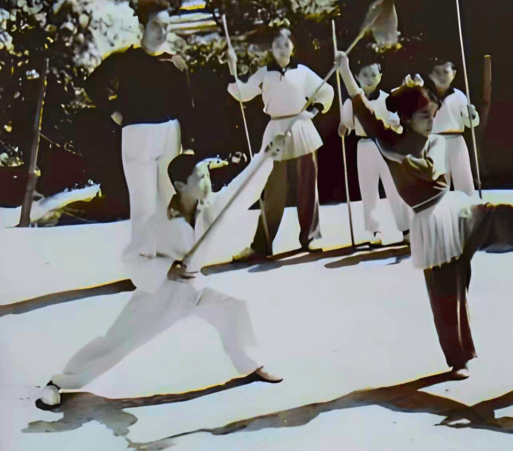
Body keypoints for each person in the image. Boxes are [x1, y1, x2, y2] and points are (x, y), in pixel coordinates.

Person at [337, 53, 513, 378]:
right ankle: (459, 358)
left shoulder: (434, 143)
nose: (432, 122)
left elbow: (432, 166)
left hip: (455, 209)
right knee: (447, 291)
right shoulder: (391, 141)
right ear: (406, 118)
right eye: (424, 117)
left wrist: (404, 151)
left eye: (432, 115)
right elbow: (363, 109)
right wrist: (346, 69)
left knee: (500, 215)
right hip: (430, 224)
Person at [36, 137, 289, 411]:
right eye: (200, 178)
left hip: (194, 288)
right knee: (116, 343)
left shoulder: (210, 207)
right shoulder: (158, 222)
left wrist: (266, 157)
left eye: (207, 175)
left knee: (233, 309)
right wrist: (166, 269)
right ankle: (59, 382)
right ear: (180, 186)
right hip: (160, 296)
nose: (208, 182)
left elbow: (241, 190)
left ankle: (253, 366)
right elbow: (132, 260)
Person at [84, 0, 194, 257]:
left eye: (166, 26)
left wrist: (189, 146)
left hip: (170, 133)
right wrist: (113, 111)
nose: (162, 32)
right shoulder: (125, 59)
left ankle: (173, 254)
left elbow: (187, 108)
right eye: (156, 25)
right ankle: (142, 260)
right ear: (142, 26)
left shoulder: (176, 63)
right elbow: (93, 84)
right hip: (136, 135)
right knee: (143, 202)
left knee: (169, 197)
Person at [227, 27, 334, 260]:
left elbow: (326, 92)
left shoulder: (302, 72)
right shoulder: (264, 73)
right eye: (277, 45)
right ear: (271, 49)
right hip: (276, 131)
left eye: (286, 44)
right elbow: (243, 92)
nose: (282, 49)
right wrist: (232, 69)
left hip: (302, 128)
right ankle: (261, 245)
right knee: (273, 190)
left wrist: (313, 112)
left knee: (308, 187)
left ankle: (311, 237)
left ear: (293, 46)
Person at [338, 51, 412, 240]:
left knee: (394, 187)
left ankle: (406, 230)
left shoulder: (388, 98)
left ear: (380, 76)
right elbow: (346, 125)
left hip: (386, 145)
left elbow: (396, 123)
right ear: (356, 77)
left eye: (373, 74)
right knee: (368, 189)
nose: (369, 79)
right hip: (364, 146)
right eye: (364, 75)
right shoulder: (351, 102)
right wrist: (343, 128)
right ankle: (374, 231)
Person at [424, 56, 479, 196]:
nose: (442, 76)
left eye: (446, 72)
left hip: (456, 141)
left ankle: (470, 209)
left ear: (453, 74)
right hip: (435, 140)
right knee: (439, 182)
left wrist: (472, 114)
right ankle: (440, 213)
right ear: (430, 75)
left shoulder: (459, 96)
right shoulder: (425, 95)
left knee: (464, 177)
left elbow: (470, 123)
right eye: (437, 72)